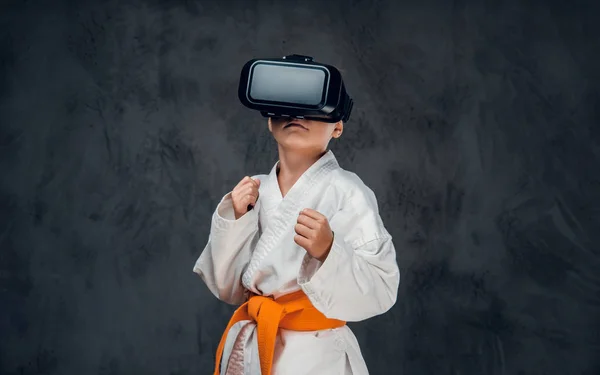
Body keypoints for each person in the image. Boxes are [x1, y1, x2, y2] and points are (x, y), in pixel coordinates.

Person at [193, 115, 400, 375]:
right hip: (254, 345)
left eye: (314, 109)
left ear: (337, 127)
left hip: (318, 353)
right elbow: (227, 286)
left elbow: (381, 288)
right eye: (285, 106)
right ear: (270, 121)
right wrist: (235, 218)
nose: (297, 115)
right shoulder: (254, 191)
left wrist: (329, 251)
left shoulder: (348, 192)